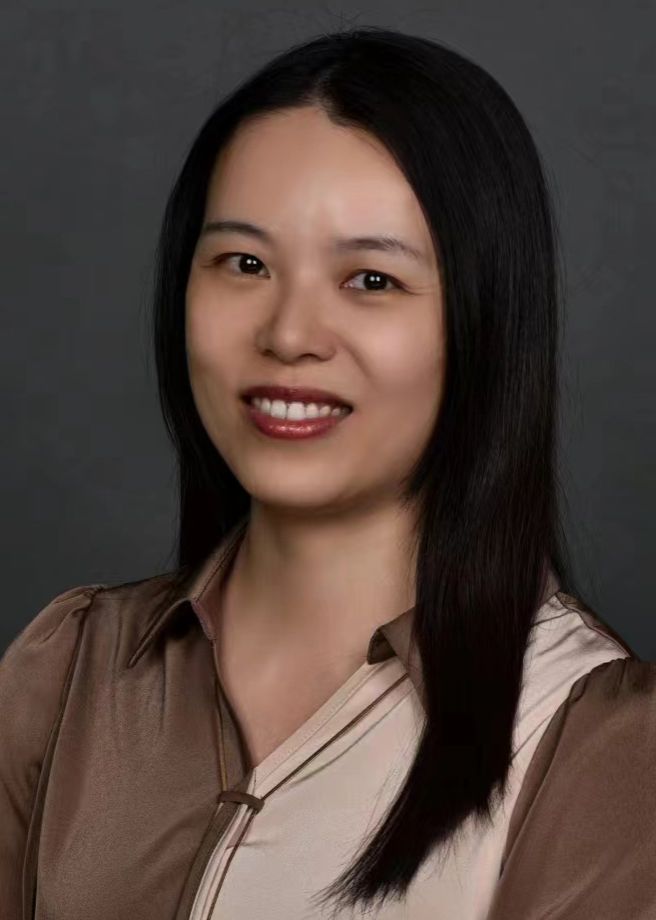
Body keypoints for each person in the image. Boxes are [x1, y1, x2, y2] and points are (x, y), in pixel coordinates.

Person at [1, 25, 654, 920]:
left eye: (371, 280)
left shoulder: (601, 744)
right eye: (244, 264)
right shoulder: (68, 669)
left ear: (486, 322)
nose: (288, 334)